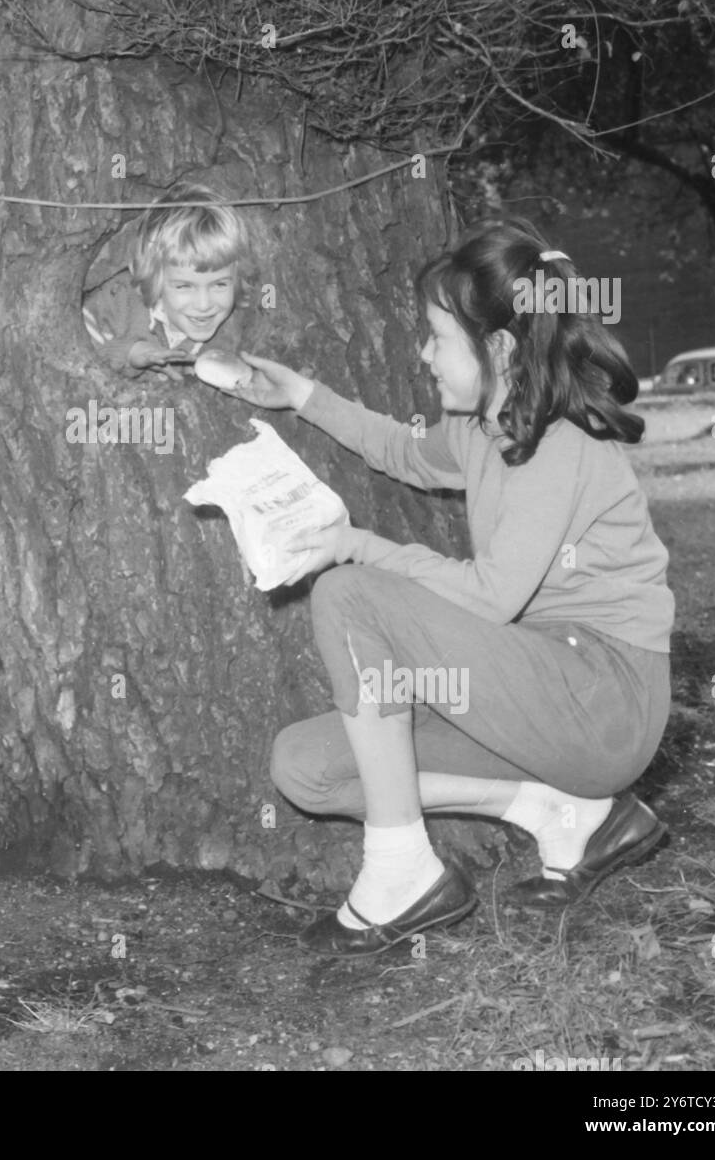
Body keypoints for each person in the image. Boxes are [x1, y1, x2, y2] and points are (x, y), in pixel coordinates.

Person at [234, 219, 673, 956]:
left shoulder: (562, 443)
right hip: (530, 696)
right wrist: (302, 394)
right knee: (306, 769)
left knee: (349, 593)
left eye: (437, 336)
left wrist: (362, 547)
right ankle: (564, 814)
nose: (423, 352)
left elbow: (494, 596)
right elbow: (402, 451)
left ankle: (401, 869)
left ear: (497, 348)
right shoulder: (482, 428)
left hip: (605, 701)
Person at [84, 185, 252, 376]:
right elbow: (69, 349)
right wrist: (129, 353)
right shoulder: (117, 300)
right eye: (184, 286)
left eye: (220, 284)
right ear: (153, 276)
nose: (204, 305)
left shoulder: (238, 331)